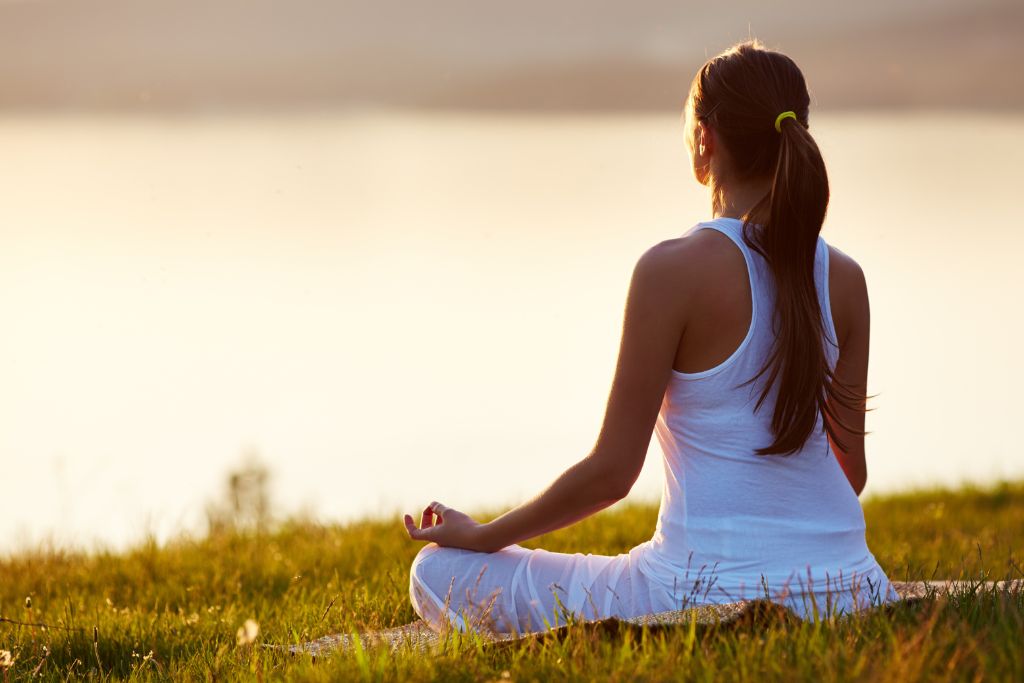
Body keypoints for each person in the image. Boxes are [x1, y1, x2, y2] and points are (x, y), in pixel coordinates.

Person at [402, 39, 899, 635]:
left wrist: (483, 536)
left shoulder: (671, 270)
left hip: (695, 592)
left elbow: (613, 474)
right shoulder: (844, 277)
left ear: (706, 141)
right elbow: (852, 475)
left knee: (436, 571)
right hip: (855, 586)